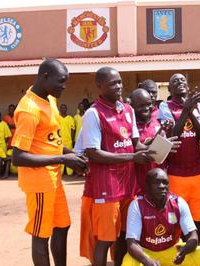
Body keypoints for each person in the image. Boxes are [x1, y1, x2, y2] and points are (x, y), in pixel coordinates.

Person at [75, 67, 157, 266]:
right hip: (106, 187)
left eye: (120, 82)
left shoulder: (127, 110)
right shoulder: (94, 114)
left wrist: (157, 145)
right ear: (99, 86)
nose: (118, 86)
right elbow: (93, 152)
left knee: (123, 235)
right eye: (113, 83)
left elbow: (135, 143)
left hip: (128, 185)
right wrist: (132, 157)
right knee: (105, 239)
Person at [11, 59, 88, 266]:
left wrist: (72, 155)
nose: (63, 87)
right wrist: (63, 159)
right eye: (60, 81)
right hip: (39, 183)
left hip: (53, 178)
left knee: (62, 226)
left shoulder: (49, 98)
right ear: (45, 77)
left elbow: (48, 141)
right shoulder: (29, 109)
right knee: (41, 235)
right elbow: (18, 157)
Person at [122, 168, 200, 266]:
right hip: (146, 253)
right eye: (156, 183)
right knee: (129, 262)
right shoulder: (137, 205)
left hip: (173, 250)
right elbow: (131, 243)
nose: (162, 186)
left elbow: (193, 235)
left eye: (165, 182)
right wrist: (147, 261)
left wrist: (185, 250)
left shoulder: (178, 203)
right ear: (147, 186)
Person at [157, 73, 200, 241]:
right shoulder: (165, 107)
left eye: (182, 80)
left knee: (196, 218)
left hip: (197, 173)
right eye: (174, 81)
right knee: (177, 217)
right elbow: (172, 136)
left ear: (187, 85)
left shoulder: (198, 106)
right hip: (176, 174)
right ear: (169, 89)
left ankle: (196, 252)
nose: (179, 82)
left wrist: (191, 111)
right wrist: (186, 109)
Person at [130, 88, 172, 195]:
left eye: (149, 104)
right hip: (137, 184)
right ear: (132, 106)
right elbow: (134, 149)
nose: (146, 108)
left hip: (158, 183)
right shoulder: (129, 126)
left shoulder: (158, 123)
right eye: (141, 105)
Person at [59, 104, 75, 176]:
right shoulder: (57, 118)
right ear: (60, 109)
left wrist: (71, 139)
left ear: (66, 109)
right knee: (60, 157)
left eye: (64, 108)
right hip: (59, 141)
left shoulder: (70, 118)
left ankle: (70, 172)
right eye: (62, 108)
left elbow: (72, 130)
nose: (63, 109)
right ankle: (61, 172)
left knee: (69, 157)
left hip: (68, 141)